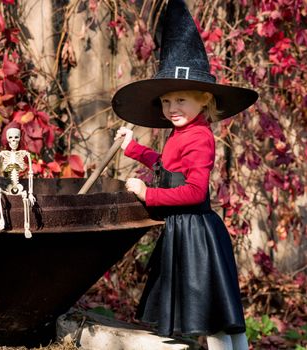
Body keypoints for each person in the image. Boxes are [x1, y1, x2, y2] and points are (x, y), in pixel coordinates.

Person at [110, 1, 258, 349]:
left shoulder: (200, 138)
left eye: (180, 101)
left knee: (212, 314)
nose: (171, 109)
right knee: (212, 314)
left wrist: (148, 195)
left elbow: (193, 192)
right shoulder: (183, 134)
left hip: (197, 235)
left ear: (203, 99)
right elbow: (168, 167)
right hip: (185, 232)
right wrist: (132, 148)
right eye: (166, 102)